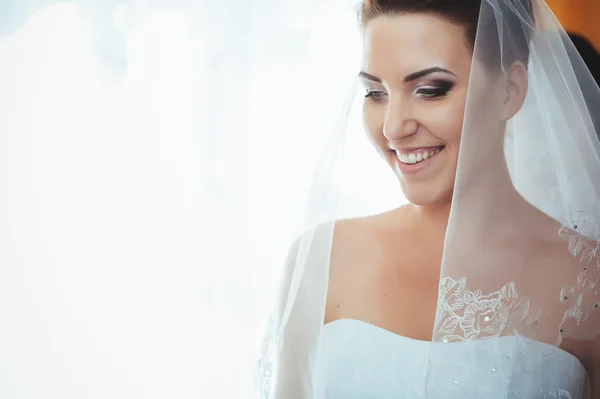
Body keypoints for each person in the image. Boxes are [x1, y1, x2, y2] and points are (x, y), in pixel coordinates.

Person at [256, 0, 600, 398]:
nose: (393, 127)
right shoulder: (322, 259)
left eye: (430, 90)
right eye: (375, 92)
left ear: (510, 90)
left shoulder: (586, 282)